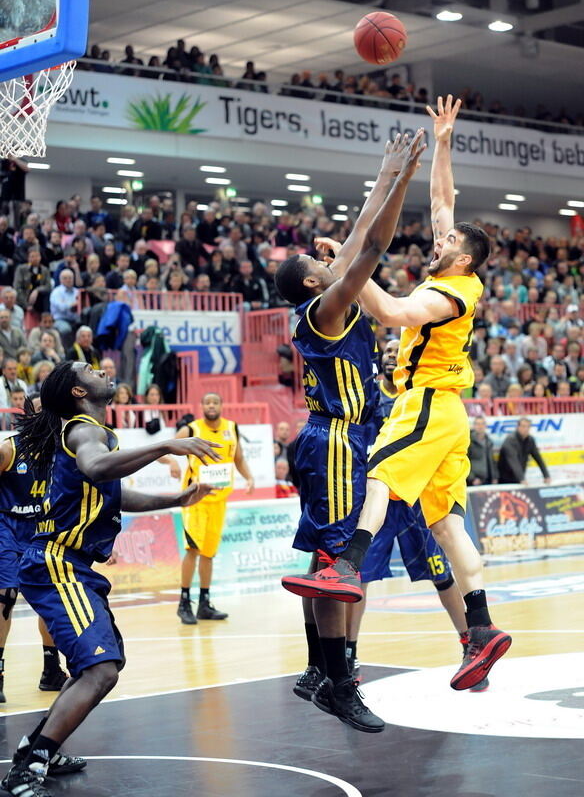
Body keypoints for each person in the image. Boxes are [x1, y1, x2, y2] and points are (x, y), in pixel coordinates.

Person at [283, 96, 511, 693]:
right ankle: (481, 629)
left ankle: (349, 566)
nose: (436, 241)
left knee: (381, 476)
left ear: (462, 257)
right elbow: (442, 203)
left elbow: (386, 310)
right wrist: (443, 142)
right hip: (442, 409)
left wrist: (351, 273)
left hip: (426, 401)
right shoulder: (451, 264)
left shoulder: (446, 294)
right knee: (446, 524)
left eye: (446, 243)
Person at [1, 360, 220, 797]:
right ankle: (27, 770)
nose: (100, 369)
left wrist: (177, 498)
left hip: (70, 564)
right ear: (78, 392)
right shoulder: (84, 430)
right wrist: (166, 446)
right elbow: (99, 468)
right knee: (100, 669)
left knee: (102, 666)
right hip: (57, 562)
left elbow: (113, 493)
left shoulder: (96, 434)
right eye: (88, 369)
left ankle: (36, 747)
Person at [277, 131, 425, 733]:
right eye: (319, 263)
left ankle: (319, 669)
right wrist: (401, 180)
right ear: (315, 282)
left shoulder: (318, 305)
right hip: (339, 440)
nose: (325, 259)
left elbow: (358, 237)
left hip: (327, 437)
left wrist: (384, 172)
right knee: (338, 563)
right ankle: (340, 683)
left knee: (323, 557)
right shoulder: (328, 308)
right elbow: (374, 245)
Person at [339, 340, 489, 692]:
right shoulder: (369, 395)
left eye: (398, 349)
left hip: (419, 501)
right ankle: (349, 654)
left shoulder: (424, 394)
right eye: (387, 351)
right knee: (358, 577)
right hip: (382, 497)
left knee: (443, 575)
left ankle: (472, 646)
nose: (392, 354)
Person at [163, 392, 255, 624]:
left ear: (221, 405)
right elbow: (163, 449)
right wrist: (173, 461)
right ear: (202, 406)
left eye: (215, 401)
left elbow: (239, 458)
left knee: (208, 553)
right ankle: (184, 602)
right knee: (193, 549)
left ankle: (205, 603)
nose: (211, 405)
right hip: (195, 499)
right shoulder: (192, 430)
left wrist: (249, 478)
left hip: (219, 499)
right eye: (207, 402)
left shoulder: (231, 428)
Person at [0, 397, 69, 702]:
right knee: (5, 597)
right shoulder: (9, 449)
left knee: (51, 599)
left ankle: (51, 670)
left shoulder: (64, 452)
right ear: (29, 415)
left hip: (43, 530)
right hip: (8, 528)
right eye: (41, 410)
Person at [497, 417, 551, 485]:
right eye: (523, 426)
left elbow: (538, 458)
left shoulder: (530, 440)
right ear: (518, 427)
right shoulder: (510, 440)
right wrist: (522, 479)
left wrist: (546, 475)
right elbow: (513, 461)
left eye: (528, 427)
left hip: (519, 478)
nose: (526, 429)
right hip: (505, 479)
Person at [467, 415, 498, 486]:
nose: (480, 426)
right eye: (477, 424)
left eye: (482, 424)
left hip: (487, 481)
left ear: (485, 426)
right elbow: (464, 461)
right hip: (473, 481)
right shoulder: (469, 442)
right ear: (474, 426)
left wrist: (494, 477)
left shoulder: (489, 442)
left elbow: (491, 461)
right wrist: (472, 478)